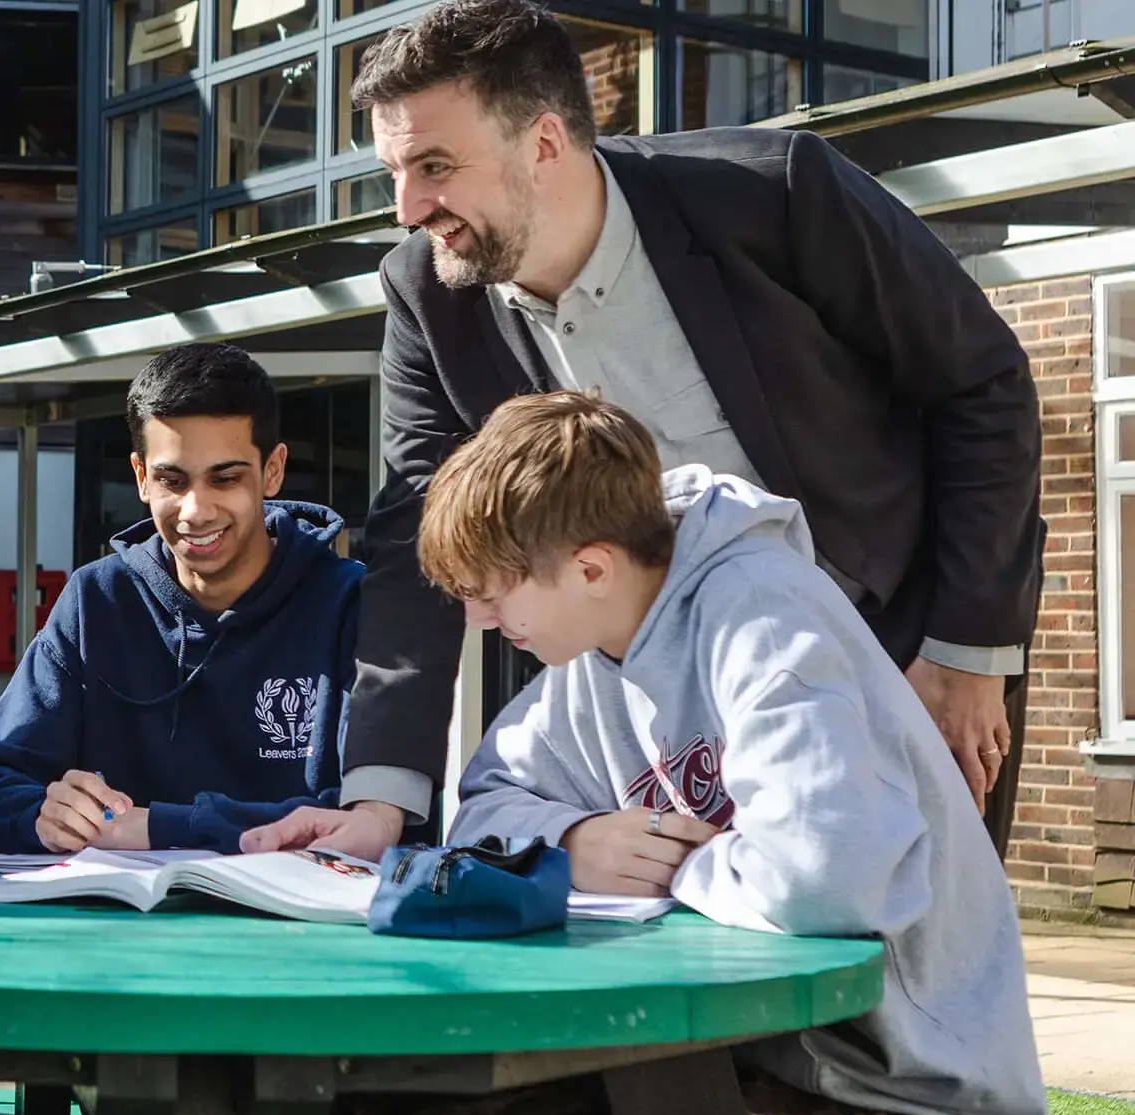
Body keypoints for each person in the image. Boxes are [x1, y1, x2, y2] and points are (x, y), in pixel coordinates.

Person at [255, 0, 1043, 864]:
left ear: (545, 143)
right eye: (394, 172)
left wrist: (967, 655)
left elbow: (981, 385)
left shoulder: (777, 191)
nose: (408, 208)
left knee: (903, 973)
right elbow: (415, 533)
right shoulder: (426, 294)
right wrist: (380, 800)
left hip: (895, 655)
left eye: (434, 165)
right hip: (640, 726)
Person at [377, 390, 1044, 1115]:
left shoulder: (760, 614)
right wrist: (575, 841)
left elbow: (829, 877)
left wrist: (674, 863)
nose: (477, 619)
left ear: (591, 568)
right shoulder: (594, 656)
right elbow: (484, 800)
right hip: (747, 1051)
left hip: (900, 1090)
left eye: (491, 593)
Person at [0, 344, 362, 855]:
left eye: (225, 478)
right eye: (172, 480)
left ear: (272, 471)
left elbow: (364, 817)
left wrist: (155, 827)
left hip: (295, 924)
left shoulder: (349, 602)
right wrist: (42, 814)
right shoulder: (97, 599)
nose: (195, 510)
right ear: (141, 477)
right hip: (122, 922)